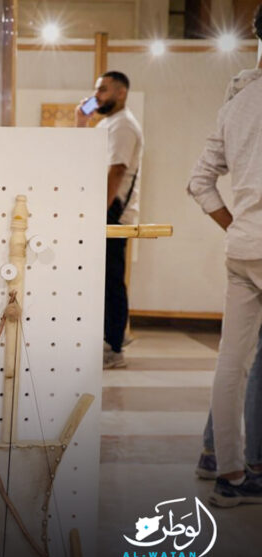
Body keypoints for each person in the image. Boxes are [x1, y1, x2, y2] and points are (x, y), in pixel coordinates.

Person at [186, 4, 262, 507]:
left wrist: (237, 226)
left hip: (244, 249)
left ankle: (228, 473)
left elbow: (199, 182)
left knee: (230, 365)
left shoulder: (237, 102)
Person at [75, 71, 144, 370]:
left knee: (111, 279)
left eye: (103, 90)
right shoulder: (107, 123)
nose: (97, 95)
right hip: (103, 208)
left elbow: (117, 171)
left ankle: (114, 347)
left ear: (121, 92)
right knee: (101, 278)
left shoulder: (123, 125)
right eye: (96, 90)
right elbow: (83, 160)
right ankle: (108, 339)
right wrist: (81, 122)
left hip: (112, 210)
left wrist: (99, 213)